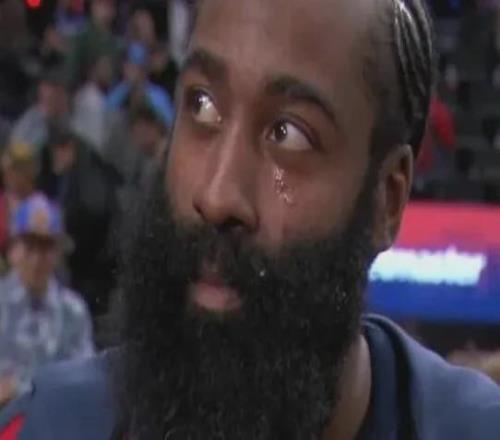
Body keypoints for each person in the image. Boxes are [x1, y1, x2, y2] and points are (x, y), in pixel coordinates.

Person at [1, 1, 500, 439]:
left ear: (385, 200)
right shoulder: (48, 428)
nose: (217, 196)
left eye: (290, 134)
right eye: (202, 104)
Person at [0, 194, 94, 408]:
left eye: (45, 247)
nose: (36, 259)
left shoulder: (73, 311)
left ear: (58, 252)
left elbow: (84, 382)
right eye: (29, 246)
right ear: (13, 249)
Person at [38, 124, 122, 317]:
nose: (55, 157)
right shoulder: (66, 179)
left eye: (60, 150)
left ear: (71, 148)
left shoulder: (90, 180)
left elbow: (94, 219)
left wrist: (71, 243)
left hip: (91, 274)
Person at [106, 42, 175, 129]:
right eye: (127, 65)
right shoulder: (118, 91)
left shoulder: (158, 95)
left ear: (143, 69)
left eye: (134, 66)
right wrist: (127, 86)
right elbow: (106, 111)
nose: (129, 70)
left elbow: (169, 124)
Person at [9, 64, 70, 153]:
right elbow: (16, 144)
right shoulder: (32, 116)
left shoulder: (65, 119)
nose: (43, 90)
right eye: (44, 86)